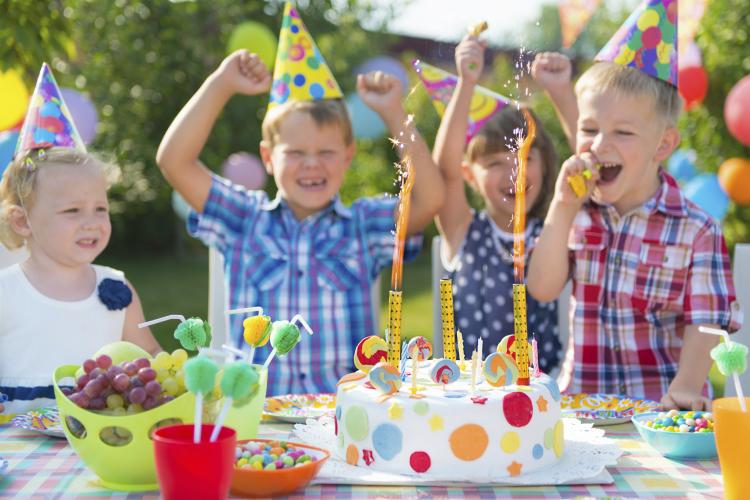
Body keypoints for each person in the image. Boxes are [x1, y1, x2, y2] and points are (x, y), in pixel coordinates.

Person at [157, 41, 443, 395]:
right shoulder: (243, 220)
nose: (312, 163)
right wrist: (221, 84)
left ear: (347, 156)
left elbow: (430, 198)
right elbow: (174, 162)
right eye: (295, 153)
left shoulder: (363, 226)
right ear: (268, 157)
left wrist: (394, 113)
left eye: (326, 152)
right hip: (256, 414)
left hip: (341, 414)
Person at [527, 2, 742, 409]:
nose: (599, 145)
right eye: (589, 129)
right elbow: (541, 287)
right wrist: (561, 205)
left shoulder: (695, 229)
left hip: (660, 409)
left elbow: (707, 320)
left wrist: (686, 385)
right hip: (582, 409)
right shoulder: (578, 209)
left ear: (663, 144)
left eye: (622, 132)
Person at [429, 33, 564, 373]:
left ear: (545, 165)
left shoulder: (554, 231)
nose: (514, 172)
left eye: (525, 157)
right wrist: (466, 84)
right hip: (465, 400)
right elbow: (443, 172)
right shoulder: (463, 228)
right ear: (469, 176)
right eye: (495, 163)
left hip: (537, 402)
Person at [0, 146, 160, 418]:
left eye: (100, 208)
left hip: (102, 438)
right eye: (72, 210)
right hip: (16, 445)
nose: (91, 222)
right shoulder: (7, 291)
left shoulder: (117, 287)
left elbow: (148, 352)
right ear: (22, 221)